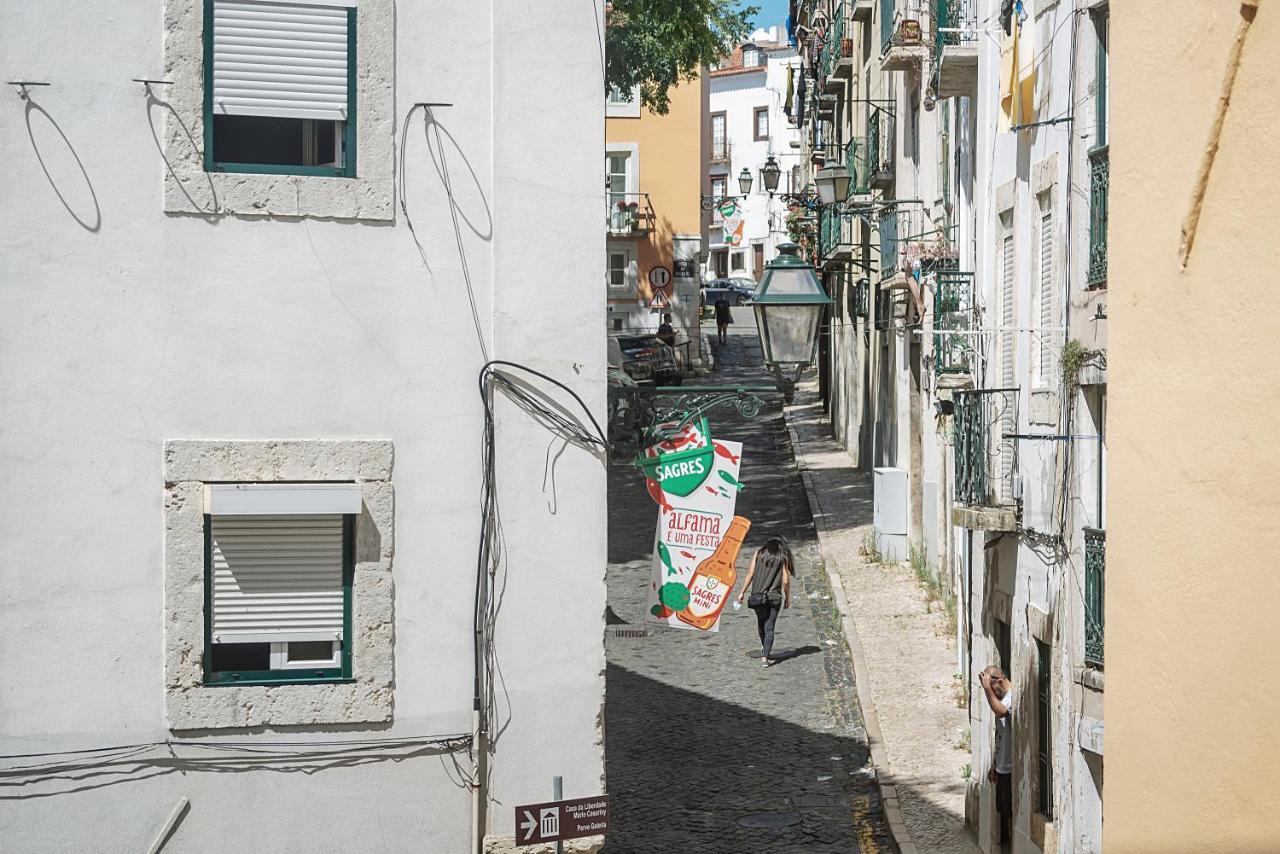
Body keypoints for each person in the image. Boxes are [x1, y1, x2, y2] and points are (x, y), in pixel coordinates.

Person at [735, 537, 793, 667]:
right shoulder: (783, 557)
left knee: (761, 623)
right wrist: (787, 597)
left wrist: (742, 592)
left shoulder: (758, 554)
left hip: (757, 597)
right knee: (770, 626)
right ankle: (765, 657)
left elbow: (750, 574)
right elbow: (786, 581)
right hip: (774, 597)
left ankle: (764, 648)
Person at [980, 665, 1013, 851]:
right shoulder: (1000, 697)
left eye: (994, 689)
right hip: (1001, 768)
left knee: (1010, 815)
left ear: (999, 682)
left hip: (1010, 770)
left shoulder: (1010, 698)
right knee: (1004, 814)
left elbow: (1001, 711)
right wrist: (994, 763)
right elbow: (1000, 735)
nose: (993, 695)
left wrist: (987, 689)